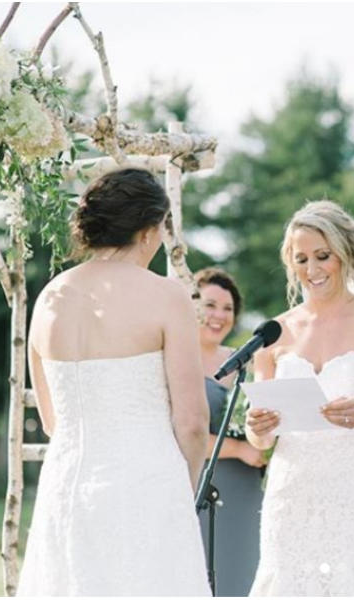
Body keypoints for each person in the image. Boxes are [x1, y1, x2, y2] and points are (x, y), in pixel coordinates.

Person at [17, 168, 210, 596]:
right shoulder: (167, 295)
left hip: (65, 486)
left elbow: (53, 422)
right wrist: (185, 484)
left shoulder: (51, 296)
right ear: (147, 231)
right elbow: (193, 422)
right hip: (148, 486)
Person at [245, 200, 354, 596]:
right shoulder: (275, 332)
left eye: (323, 256)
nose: (312, 270)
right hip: (290, 499)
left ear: (346, 254)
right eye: (301, 258)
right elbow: (260, 441)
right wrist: (259, 428)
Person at [194, 267, 264, 596]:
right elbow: (180, 436)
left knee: (246, 576)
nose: (219, 316)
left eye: (228, 308)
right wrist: (240, 450)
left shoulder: (246, 364)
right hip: (199, 488)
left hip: (250, 490)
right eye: (210, 305)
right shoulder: (177, 362)